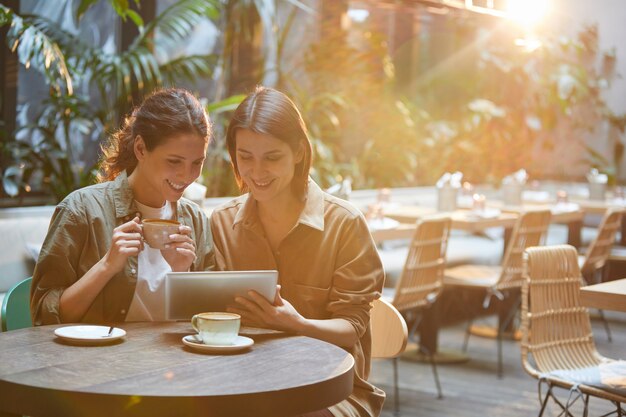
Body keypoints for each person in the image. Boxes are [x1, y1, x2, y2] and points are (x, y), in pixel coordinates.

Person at [210, 86, 385, 417]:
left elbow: (351, 329)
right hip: (240, 385)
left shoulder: (344, 224)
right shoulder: (220, 223)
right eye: (245, 156)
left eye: (272, 157)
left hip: (330, 391)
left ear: (300, 152)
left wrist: (297, 324)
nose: (256, 172)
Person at [31, 88, 214, 325]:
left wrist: (181, 274)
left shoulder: (195, 219)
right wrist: (106, 266)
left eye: (197, 163)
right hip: (96, 358)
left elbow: (209, 320)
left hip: (174, 361)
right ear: (140, 149)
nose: (187, 175)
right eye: (174, 161)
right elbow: (44, 315)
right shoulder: (81, 210)